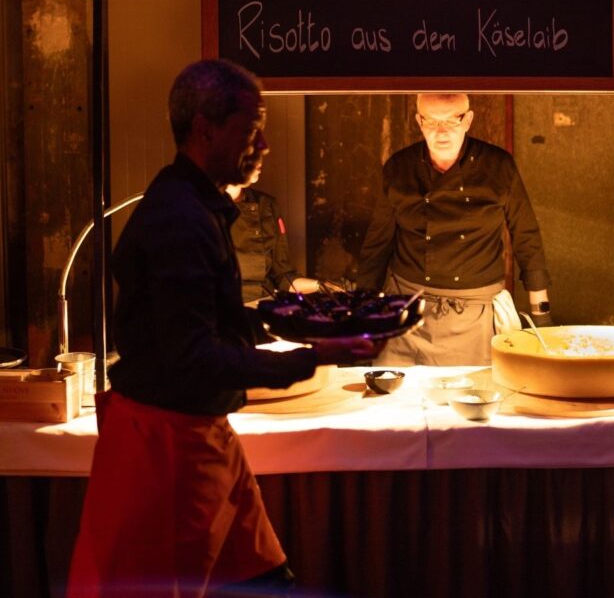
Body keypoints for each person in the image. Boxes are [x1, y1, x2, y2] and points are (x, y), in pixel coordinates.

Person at [66, 59, 382, 598]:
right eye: (252, 130)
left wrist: (301, 325)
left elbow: (217, 321)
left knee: (267, 582)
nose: (264, 145)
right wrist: (314, 357)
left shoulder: (194, 202)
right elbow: (195, 355)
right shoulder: (180, 217)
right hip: (165, 451)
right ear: (205, 130)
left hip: (202, 437)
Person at [356, 93, 552, 366]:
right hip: (406, 310)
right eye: (432, 121)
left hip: (474, 316)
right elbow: (377, 246)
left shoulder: (498, 166)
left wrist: (541, 317)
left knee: (474, 389)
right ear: (419, 122)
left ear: (468, 120)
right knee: (399, 391)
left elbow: (526, 236)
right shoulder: (399, 167)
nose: (442, 131)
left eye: (451, 120)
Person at [226, 165, 320, 302]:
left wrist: (321, 287)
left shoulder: (266, 205)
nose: (260, 162)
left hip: (264, 304)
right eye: (252, 155)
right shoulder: (201, 209)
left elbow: (283, 276)